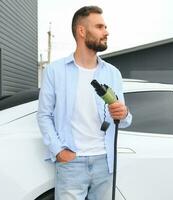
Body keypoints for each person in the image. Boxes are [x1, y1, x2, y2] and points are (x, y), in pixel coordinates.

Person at [37, 5, 132, 200]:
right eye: (100, 27)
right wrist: (59, 151)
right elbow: (44, 115)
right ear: (82, 31)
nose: (106, 32)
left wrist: (123, 113)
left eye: (105, 27)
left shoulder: (113, 73)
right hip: (71, 163)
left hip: (105, 163)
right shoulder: (55, 71)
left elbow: (124, 119)